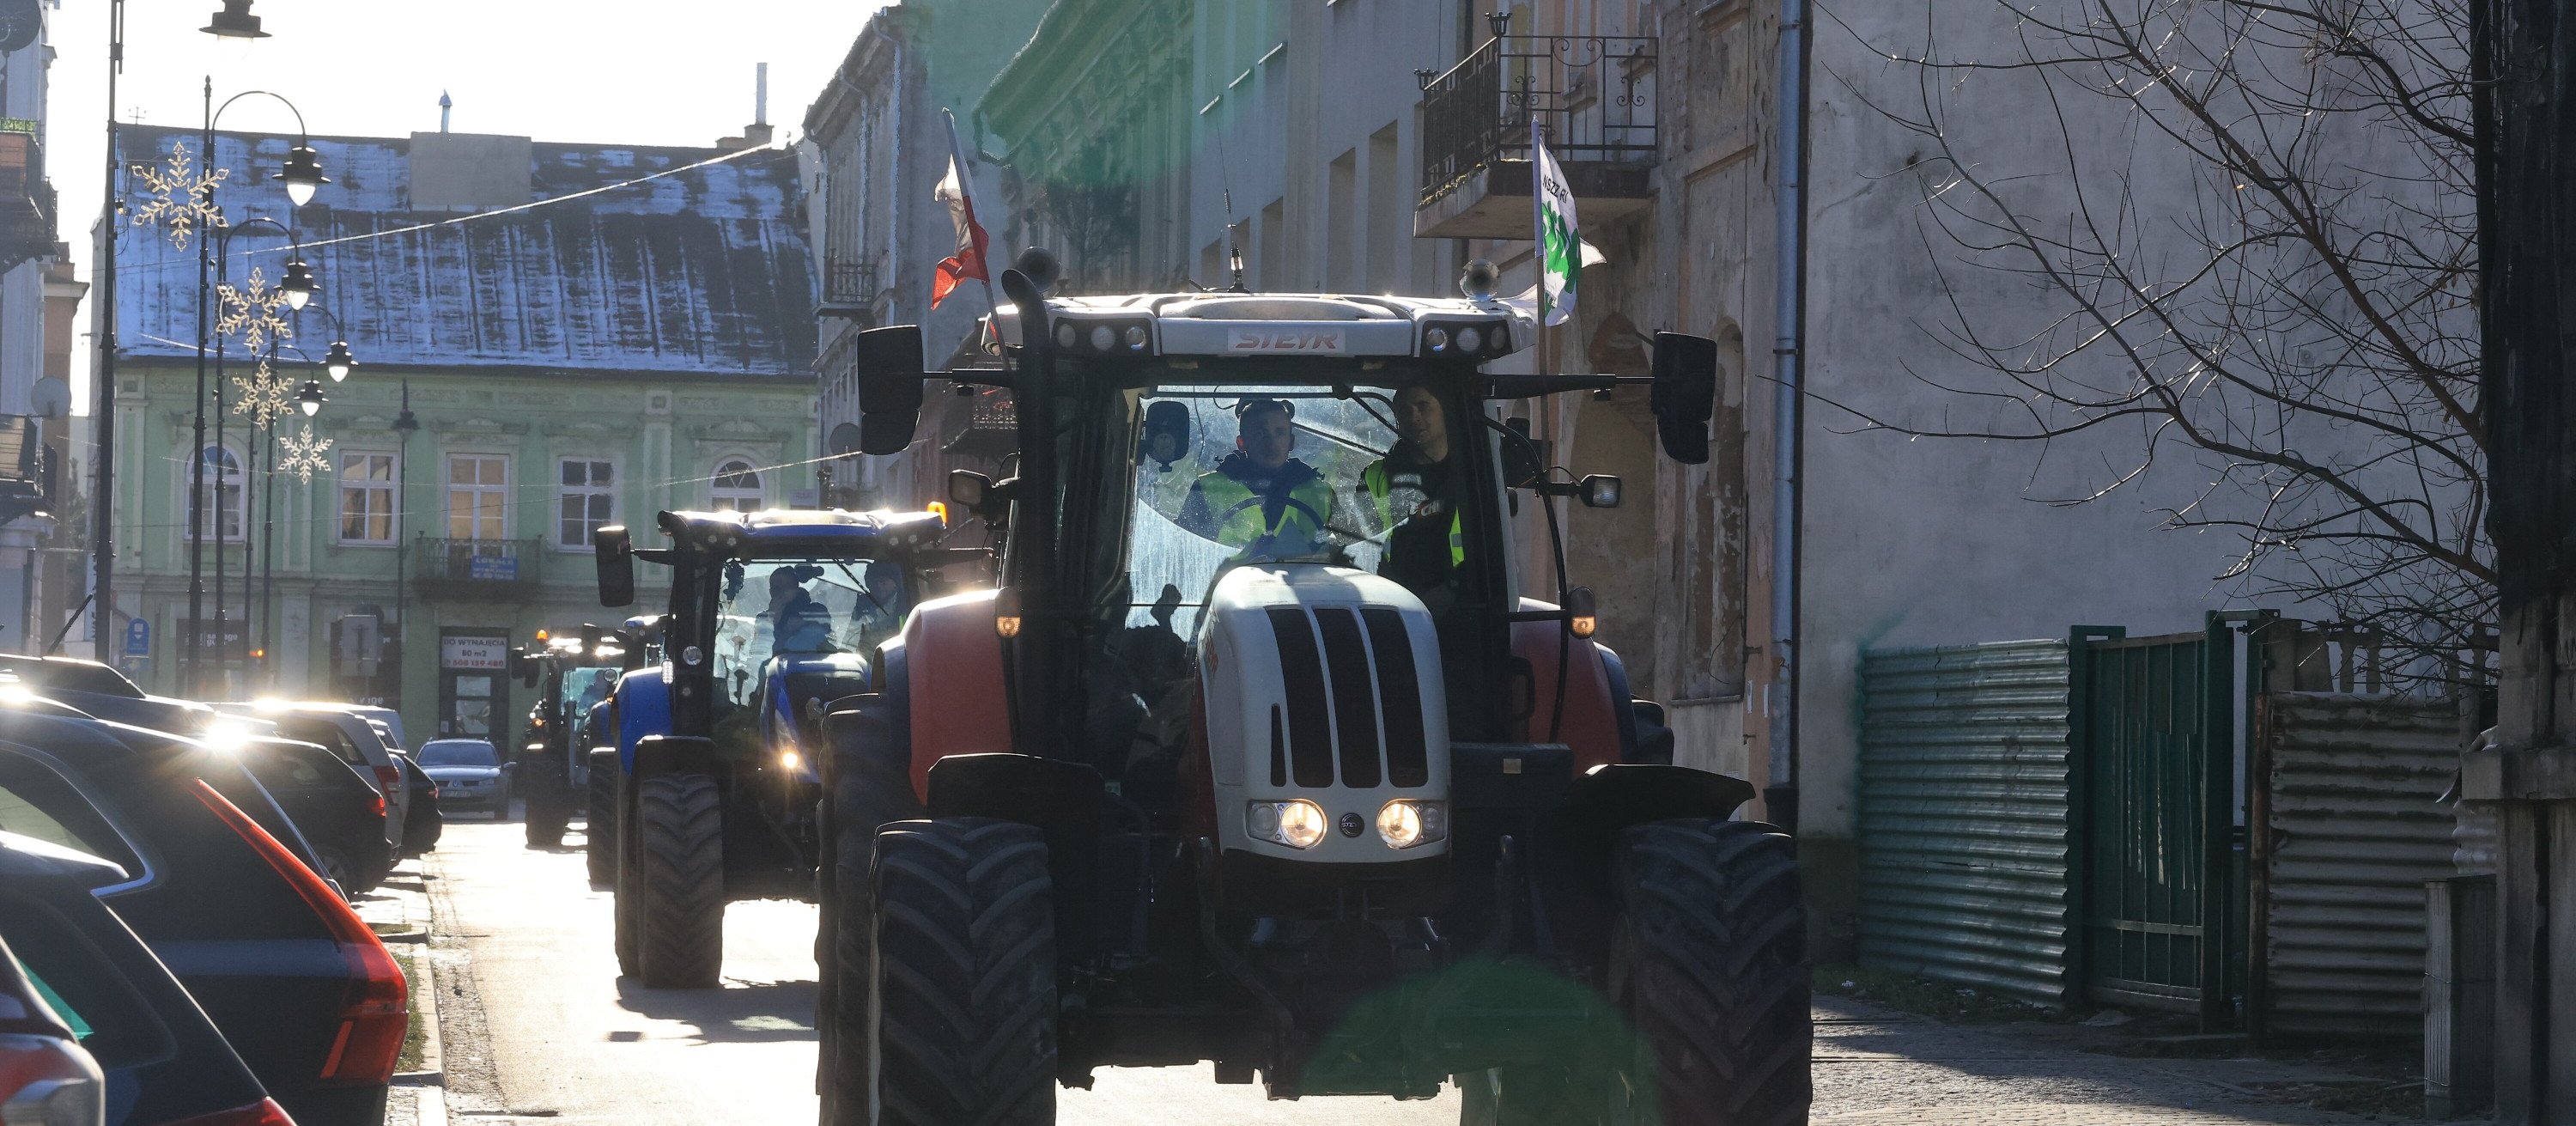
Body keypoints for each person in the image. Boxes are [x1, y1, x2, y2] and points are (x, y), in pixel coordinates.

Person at [1175, 399, 1334, 560]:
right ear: (1241, 443)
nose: (1271, 443)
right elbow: (1186, 553)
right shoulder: (1206, 490)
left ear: (1291, 441)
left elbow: (1345, 552)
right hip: (1228, 584)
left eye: (1279, 433)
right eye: (1260, 433)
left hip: (1309, 584)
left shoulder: (1322, 493)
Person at [1358, 384, 1465, 594]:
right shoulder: (1375, 476)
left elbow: (1489, 548)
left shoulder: (1472, 474)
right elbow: (1360, 544)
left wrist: (1452, 589)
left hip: (1464, 602)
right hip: (1392, 598)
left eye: (1423, 407)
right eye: (1405, 411)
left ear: (1445, 410)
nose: (1414, 417)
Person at [763, 565, 835, 654]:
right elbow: (760, 651)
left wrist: (803, 623)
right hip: (776, 665)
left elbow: (823, 628)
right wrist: (771, 621)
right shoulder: (763, 619)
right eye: (776, 588)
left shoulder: (816, 610)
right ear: (771, 592)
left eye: (787, 587)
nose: (781, 591)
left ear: (796, 589)